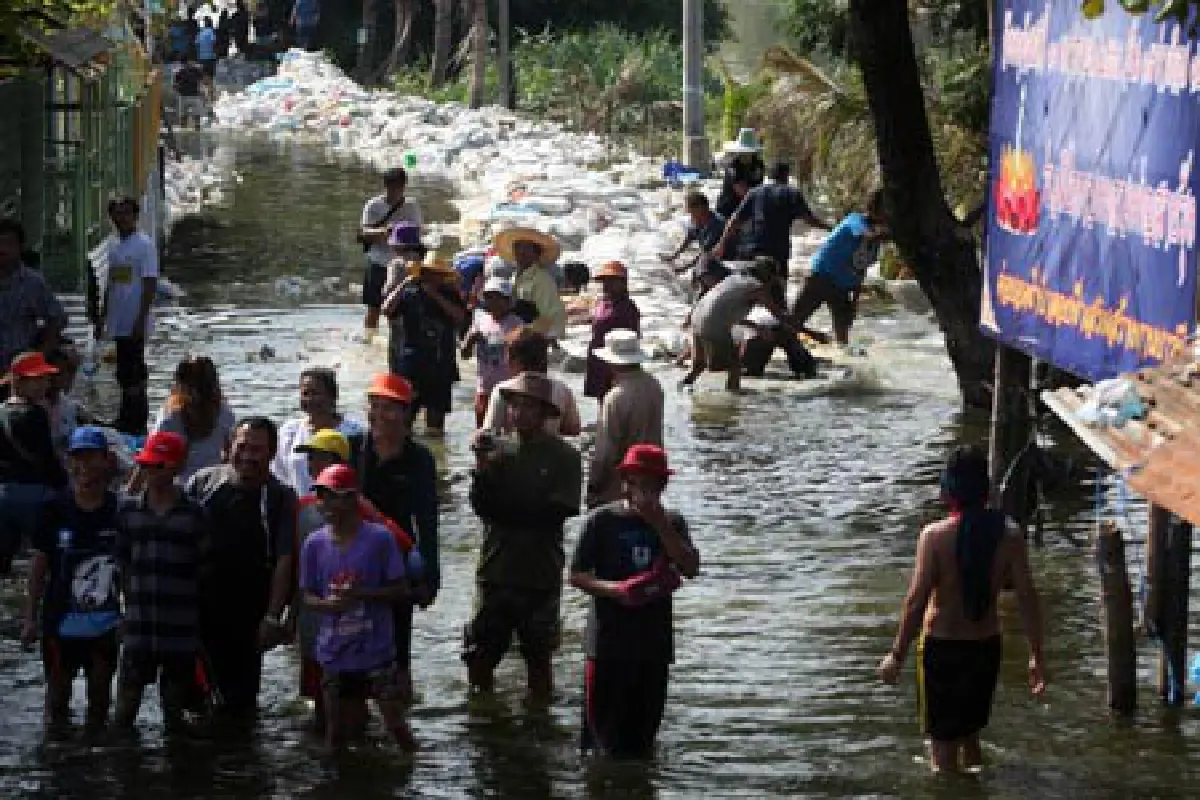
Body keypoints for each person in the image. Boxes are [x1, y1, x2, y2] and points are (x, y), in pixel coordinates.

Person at [877, 444, 1047, 774]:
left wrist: (896, 655)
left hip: (943, 651)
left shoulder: (934, 537)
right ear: (986, 489)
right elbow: (1027, 596)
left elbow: (916, 601)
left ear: (949, 489)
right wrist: (1036, 655)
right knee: (971, 738)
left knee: (941, 756)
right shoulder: (1010, 535)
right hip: (985, 648)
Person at [570, 444, 700, 759]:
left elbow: (690, 568)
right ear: (624, 482)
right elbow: (576, 575)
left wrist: (660, 524)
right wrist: (616, 591)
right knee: (600, 745)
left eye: (648, 484)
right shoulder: (602, 521)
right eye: (633, 481)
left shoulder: (673, 522)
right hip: (607, 647)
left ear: (661, 486)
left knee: (642, 743)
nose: (638, 491)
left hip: (653, 646)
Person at [292, 429, 422, 735]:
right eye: (309, 458)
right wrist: (305, 612)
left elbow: (406, 564)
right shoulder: (307, 518)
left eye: (318, 457)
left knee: (392, 721)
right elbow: (303, 586)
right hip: (330, 644)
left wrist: (362, 594)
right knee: (330, 724)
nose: (311, 464)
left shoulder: (375, 528)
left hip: (374, 646)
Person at [466, 373, 582, 702]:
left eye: (528, 407)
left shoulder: (564, 457)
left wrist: (504, 508)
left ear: (545, 413)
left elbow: (554, 514)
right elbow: (481, 507)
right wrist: (482, 469)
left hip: (540, 574)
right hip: (496, 570)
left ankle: (539, 719)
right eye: (515, 406)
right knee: (479, 655)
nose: (519, 413)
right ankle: (483, 718)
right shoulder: (499, 450)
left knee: (539, 658)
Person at [186, 418, 296, 722]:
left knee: (240, 703)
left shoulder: (280, 497)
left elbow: (285, 559)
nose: (248, 456)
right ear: (228, 447)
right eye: (242, 447)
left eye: (257, 450)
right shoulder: (203, 484)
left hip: (248, 612)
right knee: (190, 699)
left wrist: (273, 617)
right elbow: (181, 544)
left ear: (272, 453)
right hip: (200, 606)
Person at [20, 427, 121, 732]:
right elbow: (38, 567)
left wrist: (131, 616)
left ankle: (97, 752)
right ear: (69, 462)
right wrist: (30, 618)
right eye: (78, 458)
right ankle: (56, 755)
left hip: (105, 624)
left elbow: (128, 568)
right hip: (60, 623)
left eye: (91, 457)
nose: (84, 465)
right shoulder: (53, 509)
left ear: (106, 460)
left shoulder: (119, 510)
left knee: (100, 703)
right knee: (56, 703)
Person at [113, 431, 210, 735]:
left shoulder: (195, 514)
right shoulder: (128, 511)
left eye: (159, 465)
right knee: (124, 713)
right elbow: (121, 563)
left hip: (179, 629)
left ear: (177, 466)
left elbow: (205, 568)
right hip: (138, 628)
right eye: (146, 465)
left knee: (174, 716)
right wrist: (122, 611)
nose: (151, 472)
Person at [358, 374, 440, 686]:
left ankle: (398, 697)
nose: (380, 415)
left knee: (398, 646)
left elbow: (427, 520)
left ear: (407, 413)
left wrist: (431, 578)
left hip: (398, 555)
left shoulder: (419, 459)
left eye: (389, 407)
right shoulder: (354, 448)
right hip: (355, 555)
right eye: (375, 406)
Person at [680, 258, 823, 393]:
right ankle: (733, 396)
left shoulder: (732, 280)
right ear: (769, 277)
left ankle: (683, 386)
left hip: (696, 319)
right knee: (734, 365)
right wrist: (812, 334)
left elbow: (724, 313)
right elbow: (780, 316)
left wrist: (756, 327)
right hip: (712, 323)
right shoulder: (757, 288)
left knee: (698, 366)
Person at [713, 162, 832, 303]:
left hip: (750, 251)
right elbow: (809, 220)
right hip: (776, 253)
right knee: (778, 297)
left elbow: (734, 221)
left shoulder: (755, 192)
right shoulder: (791, 193)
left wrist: (721, 244)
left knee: (747, 294)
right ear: (785, 176)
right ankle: (779, 312)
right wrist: (830, 228)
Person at [0, 352, 70, 574]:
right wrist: (65, 486)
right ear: (18, 382)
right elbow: (47, 460)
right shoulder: (36, 413)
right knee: (50, 557)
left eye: (45, 379)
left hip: (4, 496)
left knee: (4, 563)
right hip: (36, 497)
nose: (45, 385)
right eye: (37, 379)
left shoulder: (1, 411)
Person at [382, 254, 467, 434]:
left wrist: (435, 295)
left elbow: (460, 318)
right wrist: (403, 284)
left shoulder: (450, 295)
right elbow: (387, 309)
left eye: (438, 274)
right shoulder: (409, 293)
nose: (433, 277)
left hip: (441, 365)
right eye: (429, 272)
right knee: (404, 420)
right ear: (422, 273)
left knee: (436, 425)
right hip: (411, 365)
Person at [792, 190, 891, 346]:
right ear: (874, 208)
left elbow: (861, 268)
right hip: (820, 278)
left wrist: (854, 302)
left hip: (842, 288)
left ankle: (832, 350)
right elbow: (866, 234)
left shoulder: (875, 242)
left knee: (843, 339)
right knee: (794, 322)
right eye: (886, 210)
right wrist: (894, 233)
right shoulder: (855, 220)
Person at [96, 197, 158, 436]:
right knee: (123, 369)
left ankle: (137, 421)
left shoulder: (144, 245)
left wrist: (141, 319)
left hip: (135, 317)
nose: (121, 218)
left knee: (134, 370)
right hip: (118, 318)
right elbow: (110, 284)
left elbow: (150, 283)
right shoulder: (113, 245)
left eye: (126, 213)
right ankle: (125, 417)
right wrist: (102, 316)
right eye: (117, 213)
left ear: (135, 216)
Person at [587, 331, 663, 508]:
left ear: (611, 362)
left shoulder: (615, 397)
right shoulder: (654, 385)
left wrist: (594, 485)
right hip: (651, 478)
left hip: (620, 484)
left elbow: (605, 453)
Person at [273, 367, 367, 497]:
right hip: (300, 506)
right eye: (305, 393)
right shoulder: (289, 431)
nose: (310, 399)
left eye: (315, 393)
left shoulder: (354, 432)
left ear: (333, 396)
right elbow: (279, 476)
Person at [482, 327, 581, 437]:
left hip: (512, 447)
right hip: (549, 446)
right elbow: (574, 430)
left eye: (507, 357)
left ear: (515, 360)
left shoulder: (502, 390)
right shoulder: (562, 390)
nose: (506, 362)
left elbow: (488, 433)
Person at [150, 355, 237, 482]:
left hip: (208, 481)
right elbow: (151, 458)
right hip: (191, 483)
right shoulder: (170, 417)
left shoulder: (225, 415)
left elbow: (150, 459)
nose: (195, 395)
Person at [0, 218, 67, 376]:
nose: (2, 249)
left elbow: (57, 318)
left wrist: (41, 355)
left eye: (9, 243)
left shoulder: (33, 283)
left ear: (20, 248)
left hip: (21, 368)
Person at [359, 168, 422, 334]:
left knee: (397, 308)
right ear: (385, 186)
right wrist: (386, 231)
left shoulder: (411, 205)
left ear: (404, 186)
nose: (395, 191)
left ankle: (395, 339)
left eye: (399, 187)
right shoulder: (373, 205)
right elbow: (364, 233)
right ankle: (369, 338)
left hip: (402, 265)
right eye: (391, 186)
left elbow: (417, 232)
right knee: (373, 308)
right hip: (378, 262)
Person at [461, 278, 523, 428]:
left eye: (498, 298)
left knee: (507, 432)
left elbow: (523, 358)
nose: (493, 302)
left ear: (508, 301)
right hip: (484, 388)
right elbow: (464, 354)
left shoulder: (517, 324)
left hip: (508, 390)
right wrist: (471, 339)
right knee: (482, 432)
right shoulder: (480, 320)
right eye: (489, 297)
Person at [494, 227, 567, 341]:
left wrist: (529, 332)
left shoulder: (542, 280)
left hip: (536, 338)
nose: (521, 252)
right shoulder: (515, 277)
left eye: (527, 248)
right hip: (518, 335)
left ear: (536, 253)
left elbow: (550, 317)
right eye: (518, 247)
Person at [584, 262, 641, 403]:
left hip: (616, 363)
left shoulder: (628, 308)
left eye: (611, 280)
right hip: (598, 360)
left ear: (623, 283)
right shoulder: (603, 303)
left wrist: (621, 368)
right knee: (602, 402)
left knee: (617, 401)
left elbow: (631, 339)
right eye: (604, 280)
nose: (606, 284)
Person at [737, 306, 818, 379]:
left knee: (803, 364)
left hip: (773, 326)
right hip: (762, 328)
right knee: (751, 370)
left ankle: (804, 366)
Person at [661, 192, 727, 276]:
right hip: (710, 257)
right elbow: (689, 238)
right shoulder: (699, 219)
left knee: (699, 271)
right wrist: (674, 256)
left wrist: (684, 268)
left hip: (726, 261)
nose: (691, 215)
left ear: (702, 208)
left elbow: (705, 252)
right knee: (698, 270)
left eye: (692, 211)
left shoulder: (716, 223)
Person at [715, 128, 766, 218]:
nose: (745, 155)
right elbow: (742, 192)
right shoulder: (733, 167)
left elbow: (759, 187)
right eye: (742, 152)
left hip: (749, 208)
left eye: (748, 152)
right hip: (729, 210)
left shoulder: (759, 165)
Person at [173, 61, 209, 128]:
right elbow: (204, 82)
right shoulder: (184, 71)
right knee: (193, 118)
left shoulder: (183, 71)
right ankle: (191, 127)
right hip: (189, 96)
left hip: (188, 96)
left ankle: (187, 128)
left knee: (188, 118)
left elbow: (175, 85)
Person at [195, 18, 217, 83]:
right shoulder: (211, 31)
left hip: (201, 56)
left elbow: (197, 43)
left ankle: (204, 85)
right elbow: (214, 42)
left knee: (203, 73)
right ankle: (210, 85)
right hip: (210, 56)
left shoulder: (200, 32)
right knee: (210, 74)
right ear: (211, 23)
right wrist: (215, 53)